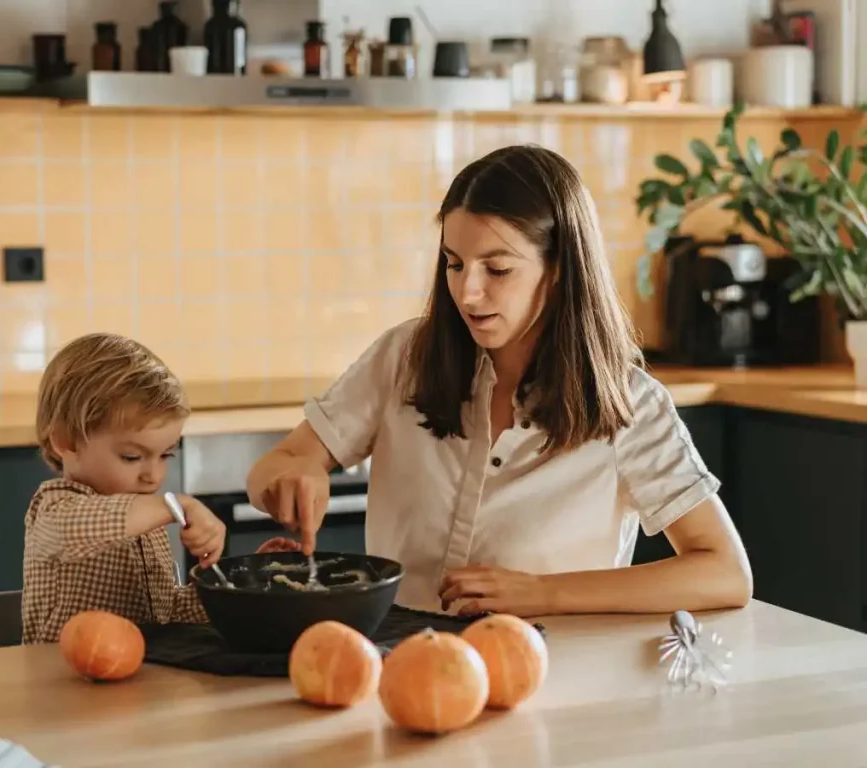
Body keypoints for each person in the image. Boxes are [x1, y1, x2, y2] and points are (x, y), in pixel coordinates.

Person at [245, 145, 753, 618]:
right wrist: (290, 476)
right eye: (454, 264)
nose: (467, 293)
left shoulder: (628, 404)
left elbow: (725, 571)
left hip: (554, 675)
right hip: (398, 663)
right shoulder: (405, 357)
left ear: (559, 269)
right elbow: (278, 463)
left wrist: (544, 593)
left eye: (498, 268)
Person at [22, 332, 299, 644]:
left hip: (139, 682)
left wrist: (248, 580)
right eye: (132, 457)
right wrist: (175, 505)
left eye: (165, 455)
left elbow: (166, 615)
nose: (153, 476)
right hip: (61, 685)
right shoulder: (54, 508)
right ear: (66, 441)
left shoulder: (148, 523)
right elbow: (79, 528)